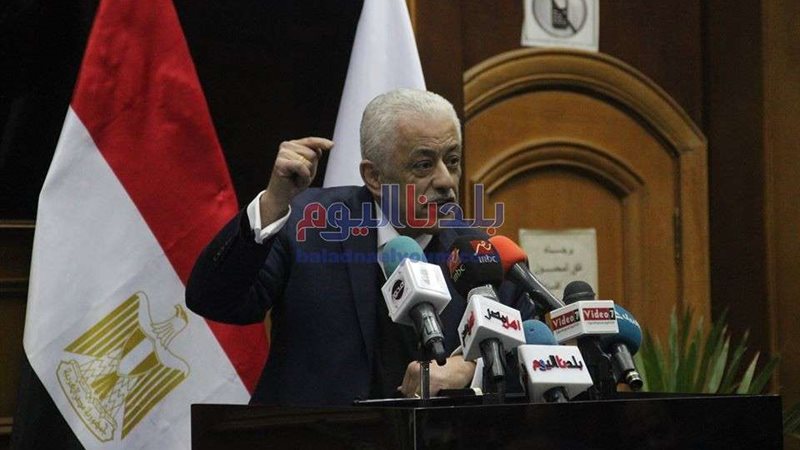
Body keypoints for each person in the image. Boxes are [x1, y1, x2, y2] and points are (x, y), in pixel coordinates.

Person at [186, 88, 531, 406]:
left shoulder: (481, 256)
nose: (445, 180)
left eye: (452, 161)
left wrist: (473, 369)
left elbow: (534, 359)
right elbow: (215, 300)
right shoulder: (307, 225)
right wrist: (273, 203)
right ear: (375, 177)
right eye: (424, 165)